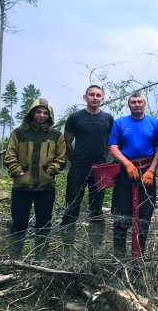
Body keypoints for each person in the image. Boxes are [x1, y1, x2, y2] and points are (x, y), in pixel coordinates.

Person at [4, 99, 66, 261]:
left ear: (50, 115)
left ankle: (41, 259)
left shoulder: (55, 135)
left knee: (44, 225)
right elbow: (10, 156)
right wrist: (19, 173)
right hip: (21, 188)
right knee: (19, 224)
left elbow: (61, 157)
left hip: (46, 188)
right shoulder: (19, 133)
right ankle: (15, 259)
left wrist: (51, 171)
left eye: (45, 113)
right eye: (38, 112)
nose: (42, 115)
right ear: (32, 112)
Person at [108, 92, 158, 257]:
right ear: (129, 105)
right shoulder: (120, 123)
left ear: (144, 103)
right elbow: (112, 147)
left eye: (139, 101)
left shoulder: (154, 123)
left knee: (144, 216)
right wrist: (127, 164)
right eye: (133, 102)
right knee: (120, 216)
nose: (137, 104)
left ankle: (138, 257)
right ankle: (119, 257)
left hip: (147, 172)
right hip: (125, 173)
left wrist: (152, 170)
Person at [60, 85, 114, 252]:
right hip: (79, 168)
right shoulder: (76, 117)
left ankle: (94, 250)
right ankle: (67, 249)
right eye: (92, 95)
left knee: (96, 209)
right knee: (72, 207)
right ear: (85, 97)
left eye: (98, 95)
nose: (95, 97)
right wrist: (74, 160)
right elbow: (66, 141)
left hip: (101, 169)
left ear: (102, 98)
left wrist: (108, 163)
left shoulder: (108, 119)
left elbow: (112, 144)